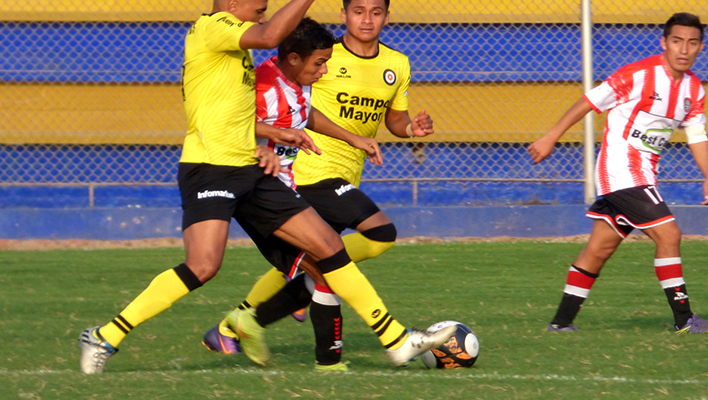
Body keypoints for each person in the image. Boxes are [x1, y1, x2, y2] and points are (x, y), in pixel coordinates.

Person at [77, 0, 453, 374]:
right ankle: (105, 335)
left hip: (253, 169)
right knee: (203, 266)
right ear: (233, 4)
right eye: (258, 9)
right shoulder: (214, 28)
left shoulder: (243, 54)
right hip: (211, 168)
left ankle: (397, 340)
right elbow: (272, 37)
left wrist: (278, 138)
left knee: (327, 247)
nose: (262, 16)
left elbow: (246, 111)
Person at [204, 0, 436, 370]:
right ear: (344, 14)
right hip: (311, 171)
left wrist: (411, 130)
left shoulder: (397, 63)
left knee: (319, 264)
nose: (367, 19)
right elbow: (287, 104)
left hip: (346, 172)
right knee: (379, 234)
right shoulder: (319, 51)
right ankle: (389, 339)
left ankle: (241, 326)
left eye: (376, 12)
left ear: (387, 17)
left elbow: (395, 120)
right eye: (358, 11)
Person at [528, 12, 708, 334]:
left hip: (644, 173)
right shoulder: (639, 74)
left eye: (692, 43)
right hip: (621, 168)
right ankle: (685, 320)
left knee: (600, 248)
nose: (683, 49)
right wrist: (551, 137)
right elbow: (589, 101)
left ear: (700, 47)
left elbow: (697, 135)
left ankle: (561, 323)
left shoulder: (694, 89)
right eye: (677, 41)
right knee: (669, 234)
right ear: (664, 43)